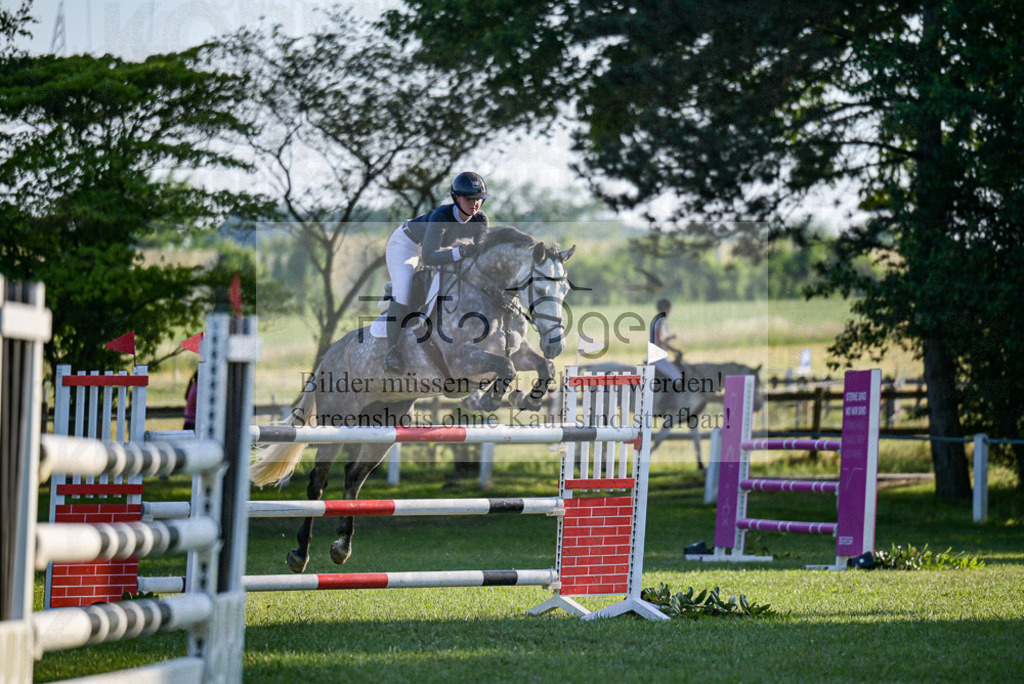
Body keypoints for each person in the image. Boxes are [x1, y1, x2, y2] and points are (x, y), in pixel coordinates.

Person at [383, 171, 491, 374]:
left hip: (439, 249)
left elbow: (480, 254)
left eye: (479, 199)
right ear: (456, 198)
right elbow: (430, 257)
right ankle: (392, 352)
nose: (475, 204)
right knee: (404, 291)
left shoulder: (481, 220)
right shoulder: (442, 215)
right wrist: (461, 252)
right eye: (469, 198)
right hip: (407, 246)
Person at [650, 298, 683, 383]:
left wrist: (669, 338)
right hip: (657, 358)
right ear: (664, 309)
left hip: (661, 356)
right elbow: (659, 342)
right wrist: (675, 350)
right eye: (669, 309)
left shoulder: (662, 322)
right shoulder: (659, 322)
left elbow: (662, 340)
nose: (670, 311)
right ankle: (669, 396)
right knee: (678, 378)